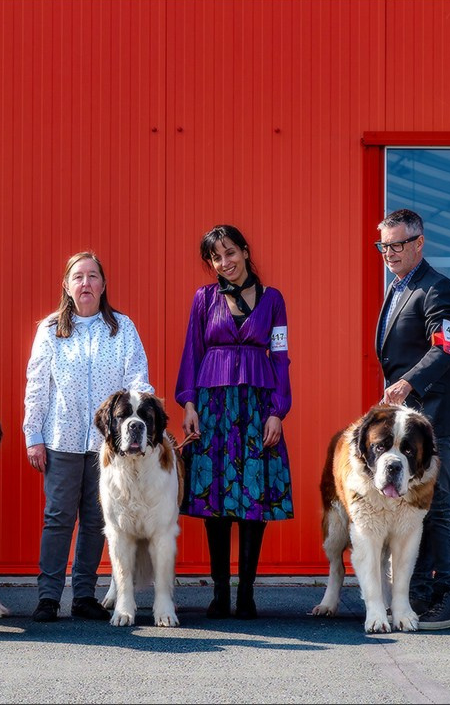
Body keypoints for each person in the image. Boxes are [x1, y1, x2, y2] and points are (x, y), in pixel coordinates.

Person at [23, 251, 153, 623]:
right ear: (66, 285)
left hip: (109, 448)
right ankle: (48, 596)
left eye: (93, 276)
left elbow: (137, 377)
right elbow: (37, 386)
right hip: (61, 438)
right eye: (78, 277)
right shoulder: (50, 330)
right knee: (58, 517)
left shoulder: (121, 328)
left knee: (98, 520)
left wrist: (142, 416)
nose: (86, 283)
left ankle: (84, 595)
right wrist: (33, 434)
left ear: (103, 285)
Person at [176, 224, 294, 620]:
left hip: (257, 408)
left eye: (230, 253)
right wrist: (189, 404)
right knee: (216, 502)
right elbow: (192, 353)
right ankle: (220, 594)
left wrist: (278, 410)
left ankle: (246, 595)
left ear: (244, 251)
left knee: (253, 499)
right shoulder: (203, 299)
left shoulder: (273, 299)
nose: (224, 262)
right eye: (216, 257)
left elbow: (281, 357)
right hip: (213, 408)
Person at [374, 208, 450, 630]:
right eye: (383, 245)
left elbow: (444, 350)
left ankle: (448, 598)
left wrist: (408, 383)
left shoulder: (438, 290)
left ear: (418, 243)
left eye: (396, 245)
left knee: (438, 506)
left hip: (434, 420)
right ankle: (421, 595)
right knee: (415, 506)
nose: (389, 253)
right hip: (407, 423)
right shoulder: (397, 289)